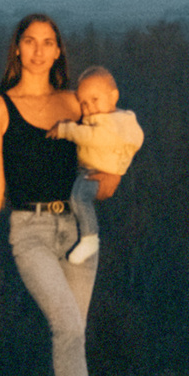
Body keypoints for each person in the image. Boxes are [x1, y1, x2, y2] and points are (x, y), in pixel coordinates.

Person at [0, 12, 119, 376]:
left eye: (48, 42)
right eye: (30, 41)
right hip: (29, 230)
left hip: (78, 228)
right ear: (17, 48)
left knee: (71, 331)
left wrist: (112, 175)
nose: (39, 50)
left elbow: (111, 142)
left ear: (59, 51)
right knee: (66, 326)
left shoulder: (75, 103)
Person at [51, 65, 144, 266]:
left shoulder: (112, 123)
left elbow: (93, 137)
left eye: (95, 100)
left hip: (96, 173)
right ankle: (84, 236)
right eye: (83, 103)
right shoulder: (118, 120)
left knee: (79, 197)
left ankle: (89, 238)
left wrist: (66, 130)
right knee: (77, 198)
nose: (89, 108)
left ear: (114, 96)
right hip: (92, 170)